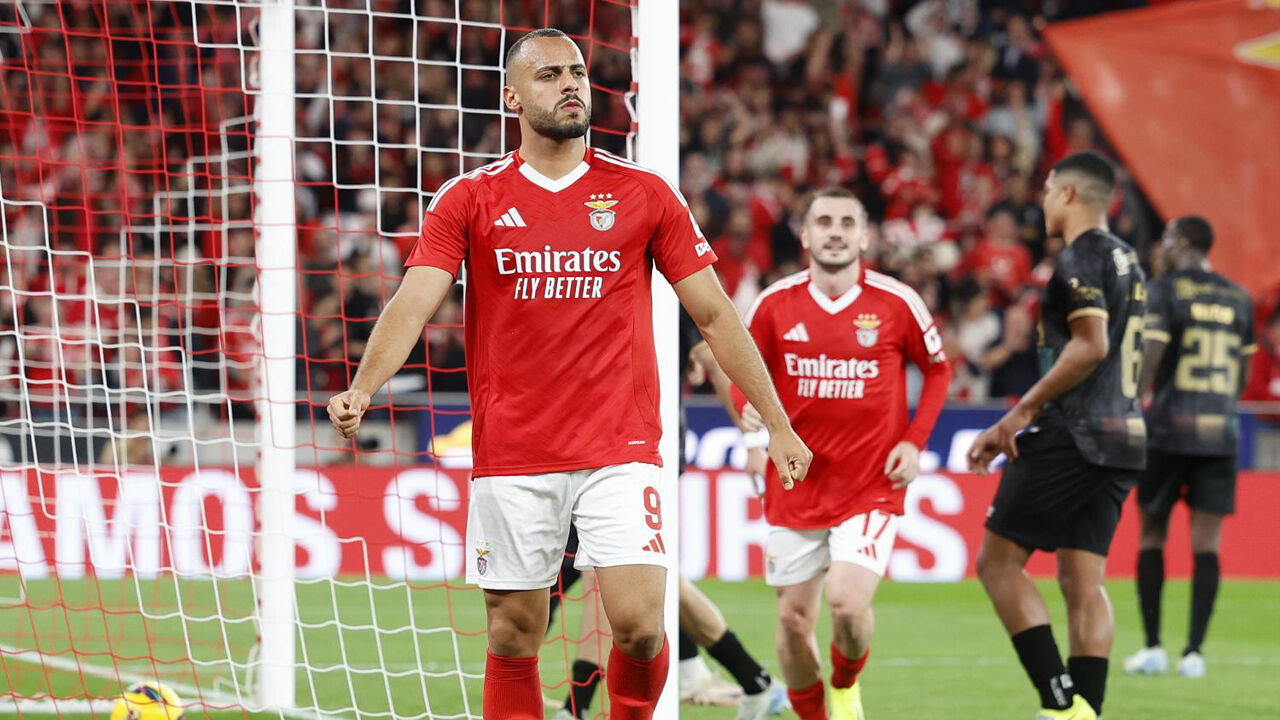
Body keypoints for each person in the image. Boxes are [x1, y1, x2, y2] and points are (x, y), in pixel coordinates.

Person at [326, 28, 812, 720]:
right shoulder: (469, 198)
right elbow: (411, 305)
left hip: (621, 447)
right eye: (550, 75)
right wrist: (364, 386)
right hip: (514, 452)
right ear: (513, 96)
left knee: (641, 626)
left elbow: (717, 317)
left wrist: (781, 425)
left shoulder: (643, 193)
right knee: (512, 632)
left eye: (578, 72)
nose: (571, 85)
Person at [732, 187, 953, 720]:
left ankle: (846, 684)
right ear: (805, 235)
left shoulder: (897, 302)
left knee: (848, 605)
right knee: (791, 622)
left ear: (864, 236)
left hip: (870, 482)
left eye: (846, 222)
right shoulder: (774, 303)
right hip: (796, 481)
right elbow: (742, 373)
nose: (835, 231)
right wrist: (755, 440)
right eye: (824, 221)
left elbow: (939, 370)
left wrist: (914, 441)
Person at [969, 151, 1147, 720]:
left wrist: (1019, 412)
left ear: (1069, 195)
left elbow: (1090, 344)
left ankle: (1059, 703)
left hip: (1074, 432)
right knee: (1082, 579)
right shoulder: (1129, 261)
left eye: (1048, 189)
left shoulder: (1077, 259)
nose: (1042, 200)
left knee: (997, 564)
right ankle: (1087, 712)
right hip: (1125, 435)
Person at [1123, 216, 1256, 678]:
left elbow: (1151, 359)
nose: (1161, 247)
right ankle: (1194, 653)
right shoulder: (1240, 297)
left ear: (1181, 243)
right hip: (1220, 433)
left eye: (1166, 239)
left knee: (1152, 535)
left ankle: (1153, 646)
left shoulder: (1167, 290)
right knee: (1207, 544)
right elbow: (1241, 377)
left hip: (1167, 430)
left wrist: (1132, 397)